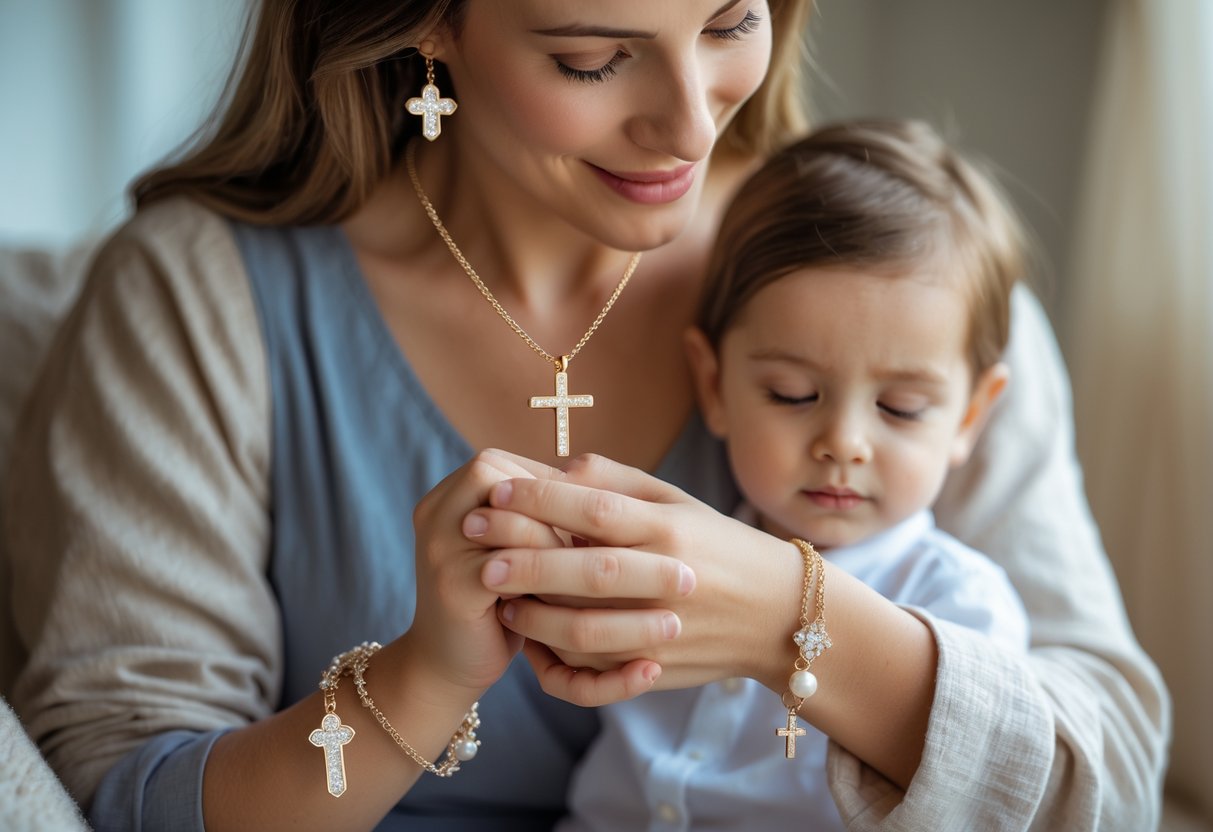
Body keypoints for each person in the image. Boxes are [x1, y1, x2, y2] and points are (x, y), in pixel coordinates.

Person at [1, 1, 1167, 830]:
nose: (691, 125)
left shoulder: (892, 270)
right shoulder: (193, 298)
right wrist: (417, 680)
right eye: (596, 57)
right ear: (430, 23)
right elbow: (126, 797)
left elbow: (1105, 778)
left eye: (727, 23)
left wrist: (785, 619)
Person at [558, 119, 1033, 831]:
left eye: (900, 409)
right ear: (714, 385)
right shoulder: (665, 556)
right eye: (791, 394)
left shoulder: (961, 610)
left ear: (968, 416)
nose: (842, 443)